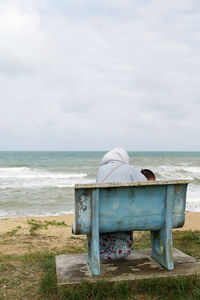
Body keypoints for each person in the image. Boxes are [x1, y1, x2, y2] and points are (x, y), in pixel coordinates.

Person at [96, 147, 147, 261]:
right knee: (125, 213)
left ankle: (104, 253)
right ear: (124, 158)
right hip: (126, 218)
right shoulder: (130, 169)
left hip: (103, 219)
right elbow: (147, 188)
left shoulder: (101, 171)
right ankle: (121, 252)